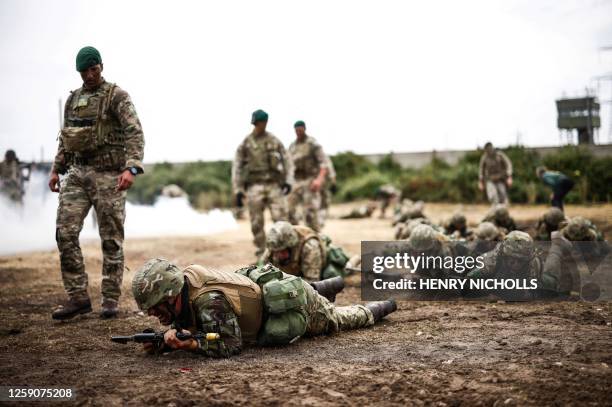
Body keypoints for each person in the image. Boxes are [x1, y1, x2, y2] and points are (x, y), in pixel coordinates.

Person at [131, 258, 397, 357]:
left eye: (156, 308)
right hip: (270, 292)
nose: (153, 314)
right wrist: (163, 343)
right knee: (310, 292)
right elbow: (189, 326)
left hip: (292, 305)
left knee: (336, 319)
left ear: (171, 294)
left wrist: (190, 345)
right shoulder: (187, 281)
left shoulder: (208, 303)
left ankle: (379, 306)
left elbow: (230, 343)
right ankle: (323, 287)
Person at [49, 46, 145, 320]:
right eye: (84, 71)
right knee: (65, 234)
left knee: (111, 239)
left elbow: (134, 133)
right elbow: (66, 139)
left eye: (94, 69)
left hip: (109, 175)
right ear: (79, 71)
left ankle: (111, 300)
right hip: (77, 175)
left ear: (101, 66)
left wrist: (132, 168)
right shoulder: (73, 100)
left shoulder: (117, 96)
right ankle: (78, 297)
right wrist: (56, 169)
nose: (90, 75)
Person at [232, 110, 293, 256]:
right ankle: (261, 253)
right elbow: (237, 167)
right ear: (255, 123)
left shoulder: (274, 140)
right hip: (255, 186)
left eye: (263, 123)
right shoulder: (246, 143)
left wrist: (288, 181)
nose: (261, 125)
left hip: (273, 185)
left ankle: (284, 252)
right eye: (258, 123)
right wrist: (238, 190)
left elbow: (287, 161)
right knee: (256, 222)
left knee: (281, 219)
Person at [259, 221, 351, 281]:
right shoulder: (275, 244)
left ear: (291, 245)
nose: (278, 255)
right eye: (276, 251)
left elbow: (312, 280)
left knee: (331, 276)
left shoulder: (309, 246)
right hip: (298, 272)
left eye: (282, 251)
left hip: (326, 263)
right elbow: (261, 269)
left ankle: (355, 261)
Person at [287, 121, 328, 232]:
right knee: (288, 209)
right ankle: (297, 235)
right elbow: (288, 165)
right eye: (296, 130)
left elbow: (324, 164)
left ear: (304, 129)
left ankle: (314, 237)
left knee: (310, 213)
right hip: (296, 181)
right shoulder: (292, 146)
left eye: (300, 130)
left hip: (310, 180)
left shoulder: (312, 144)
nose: (298, 132)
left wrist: (319, 180)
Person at [318, 154, 337, 228]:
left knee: (324, 203)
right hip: (315, 184)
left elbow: (331, 171)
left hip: (324, 184)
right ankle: (319, 220)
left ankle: (321, 220)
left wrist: (333, 183)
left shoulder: (325, 159)